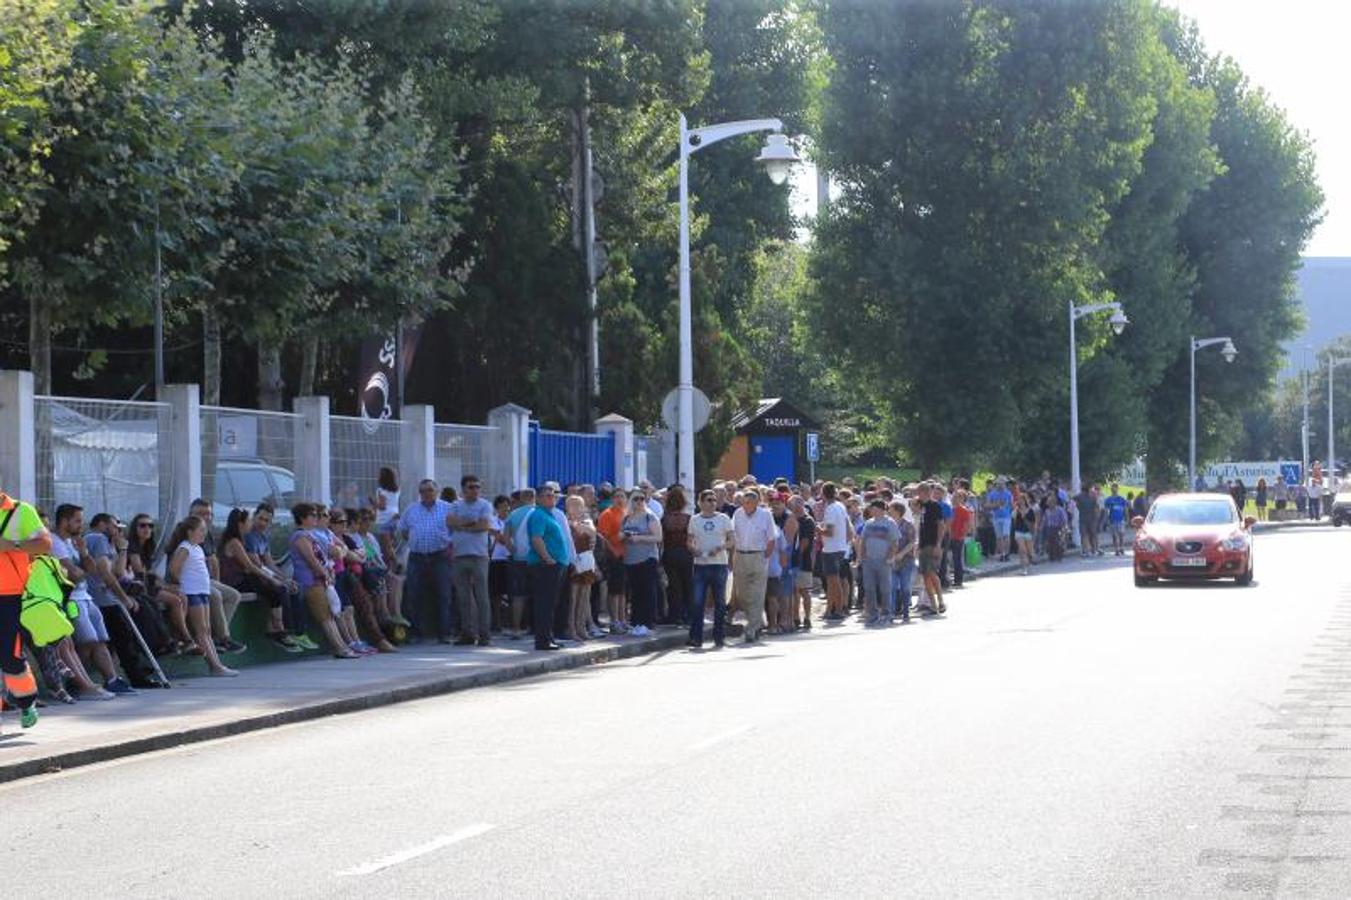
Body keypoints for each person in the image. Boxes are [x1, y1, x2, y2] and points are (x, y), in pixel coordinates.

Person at [0, 488, 52, 731]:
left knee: (10, 658)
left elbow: (44, 544)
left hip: (10, 596)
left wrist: (11, 544)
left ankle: (26, 701)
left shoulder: (21, 511)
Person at [218, 508, 302, 652]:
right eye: (249, 520)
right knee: (274, 589)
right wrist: (273, 579)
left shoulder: (242, 540)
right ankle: (279, 629)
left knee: (275, 589)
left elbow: (267, 564)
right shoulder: (234, 542)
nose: (251, 524)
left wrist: (280, 579)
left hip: (244, 578)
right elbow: (251, 566)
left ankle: (277, 629)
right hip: (235, 582)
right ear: (240, 524)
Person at [166, 516, 238, 677]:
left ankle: (217, 664)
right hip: (192, 593)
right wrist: (180, 585)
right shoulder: (185, 547)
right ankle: (215, 666)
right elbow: (174, 568)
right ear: (190, 532)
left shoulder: (197, 548)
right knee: (201, 630)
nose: (204, 533)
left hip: (202, 592)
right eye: (201, 530)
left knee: (206, 629)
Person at [289, 503, 358, 659]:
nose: (316, 517)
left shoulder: (310, 535)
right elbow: (312, 561)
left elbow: (326, 556)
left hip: (321, 580)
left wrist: (329, 571)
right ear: (302, 518)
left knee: (330, 615)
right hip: (310, 582)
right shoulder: (299, 537)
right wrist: (325, 574)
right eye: (312, 515)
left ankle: (342, 646)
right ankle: (339, 648)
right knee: (325, 617)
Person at [399, 479, 455, 643]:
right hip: (417, 557)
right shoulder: (412, 509)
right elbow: (403, 530)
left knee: (444, 594)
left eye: (430, 490)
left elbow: (455, 531)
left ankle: (444, 633)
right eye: (423, 491)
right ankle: (416, 633)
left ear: (436, 491)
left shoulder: (447, 508)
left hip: (440, 556)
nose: (426, 494)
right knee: (414, 594)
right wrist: (416, 540)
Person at [447, 474, 494, 647]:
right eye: (471, 487)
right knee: (463, 597)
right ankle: (467, 633)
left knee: (482, 597)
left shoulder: (485, 505)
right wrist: (470, 523)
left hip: (479, 556)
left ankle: (485, 635)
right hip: (459, 556)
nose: (475, 490)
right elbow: (450, 521)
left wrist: (462, 525)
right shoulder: (455, 505)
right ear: (463, 489)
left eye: (477, 487)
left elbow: (484, 526)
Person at [687, 490, 734, 648]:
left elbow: (731, 540)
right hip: (700, 565)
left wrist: (720, 547)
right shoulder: (694, 519)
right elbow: (689, 540)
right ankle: (696, 637)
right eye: (708, 500)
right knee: (698, 602)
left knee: (720, 603)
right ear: (700, 502)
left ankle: (719, 636)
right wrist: (693, 549)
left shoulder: (724, 518)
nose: (712, 502)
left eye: (714, 500)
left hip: (719, 564)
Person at [526, 484, 570, 651]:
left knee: (551, 603)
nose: (552, 498)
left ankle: (549, 636)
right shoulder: (538, 515)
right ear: (538, 498)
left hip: (556, 565)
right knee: (545, 604)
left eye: (553, 495)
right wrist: (547, 558)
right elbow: (537, 538)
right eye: (547, 495)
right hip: (545, 565)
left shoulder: (549, 515)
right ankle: (543, 640)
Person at [731, 489, 776, 642]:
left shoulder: (765, 515)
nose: (745, 505)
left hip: (758, 555)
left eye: (748, 502)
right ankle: (757, 622)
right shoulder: (737, 513)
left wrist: (765, 556)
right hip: (741, 555)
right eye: (743, 502)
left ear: (756, 502)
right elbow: (732, 534)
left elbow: (771, 538)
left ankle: (751, 629)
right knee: (742, 595)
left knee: (757, 594)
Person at [620, 488, 662, 638]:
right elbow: (621, 533)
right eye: (636, 499)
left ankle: (648, 623)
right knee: (635, 593)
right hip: (630, 559)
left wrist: (640, 538)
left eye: (642, 499)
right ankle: (636, 622)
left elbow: (658, 537)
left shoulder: (650, 517)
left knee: (647, 592)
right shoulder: (627, 518)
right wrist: (623, 536)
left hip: (647, 558)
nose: (638, 502)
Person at [857, 498, 899, 625]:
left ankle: (887, 614)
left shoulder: (890, 523)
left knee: (885, 588)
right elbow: (863, 540)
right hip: (869, 560)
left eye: (874, 508)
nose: (872, 511)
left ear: (881, 509)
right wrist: (861, 556)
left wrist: (890, 557)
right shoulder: (869, 523)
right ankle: (872, 614)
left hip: (884, 561)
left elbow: (894, 542)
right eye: (871, 508)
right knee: (869, 588)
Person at [565, 496, 599, 642]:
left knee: (584, 597)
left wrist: (578, 524)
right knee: (573, 597)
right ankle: (571, 628)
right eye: (573, 505)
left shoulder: (587, 521)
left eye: (579, 505)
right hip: (573, 562)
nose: (576, 508)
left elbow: (592, 532)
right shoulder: (564, 521)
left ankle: (581, 628)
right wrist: (573, 524)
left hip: (586, 562)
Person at [660, 486, 693, 627]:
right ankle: (689, 615)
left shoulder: (664, 519)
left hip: (670, 553)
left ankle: (675, 615)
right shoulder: (688, 518)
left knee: (673, 587)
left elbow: (661, 540)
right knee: (688, 585)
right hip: (686, 553)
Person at [818, 482, 850, 621]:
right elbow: (848, 527)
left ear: (823, 494)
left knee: (834, 581)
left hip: (831, 548)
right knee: (832, 582)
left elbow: (829, 532)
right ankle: (829, 610)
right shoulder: (841, 506)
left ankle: (839, 609)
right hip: (841, 547)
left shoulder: (830, 509)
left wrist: (818, 529)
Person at [916, 483, 946, 615]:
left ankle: (941, 601)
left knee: (932, 572)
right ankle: (932, 604)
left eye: (919, 492)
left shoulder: (934, 506)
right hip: (923, 544)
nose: (918, 495)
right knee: (925, 574)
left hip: (932, 543)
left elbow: (941, 525)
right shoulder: (921, 506)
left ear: (925, 492)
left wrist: (938, 544)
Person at [374, 466, 401, 567]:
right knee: (392, 545)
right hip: (395, 517)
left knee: (386, 546)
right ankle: (391, 566)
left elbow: (382, 506)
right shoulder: (397, 490)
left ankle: (396, 563)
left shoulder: (381, 490)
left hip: (384, 519)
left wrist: (373, 503)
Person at [986, 477, 1013, 561]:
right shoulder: (992, 494)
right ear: (996, 484)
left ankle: (1007, 553)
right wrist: (996, 505)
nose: (1001, 485)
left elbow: (1012, 505)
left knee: (1006, 536)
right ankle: (1002, 554)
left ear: (1005, 484)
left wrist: (1007, 509)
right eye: (999, 483)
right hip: (996, 517)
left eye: (1002, 483)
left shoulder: (1008, 493)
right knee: (999, 537)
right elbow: (987, 505)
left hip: (1006, 517)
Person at [1103, 483, 1130, 556]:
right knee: (1114, 535)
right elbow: (1106, 511)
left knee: (1121, 534)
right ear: (1111, 489)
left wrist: (1127, 519)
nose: (1114, 489)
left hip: (1121, 520)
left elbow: (1125, 509)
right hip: (1112, 520)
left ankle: (1121, 548)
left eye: (1116, 488)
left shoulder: (1121, 499)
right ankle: (1116, 549)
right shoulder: (1108, 500)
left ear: (1118, 489)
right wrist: (1106, 520)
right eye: (1113, 488)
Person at [1042, 493, 1068, 562]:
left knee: (1058, 542)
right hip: (1050, 528)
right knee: (1050, 542)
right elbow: (1045, 520)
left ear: (1054, 502)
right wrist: (1042, 527)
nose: (1048, 503)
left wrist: (1064, 529)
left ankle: (1059, 556)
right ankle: (1051, 557)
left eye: (1050, 502)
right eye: (1048, 502)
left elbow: (1064, 520)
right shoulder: (1047, 511)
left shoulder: (1060, 510)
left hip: (1058, 527)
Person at [1075, 484, 1100, 558]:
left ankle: (1086, 550)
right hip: (1091, 519)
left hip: (1083, 518)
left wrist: (1078, 506)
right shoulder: (1093, 497)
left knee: (1084, 535)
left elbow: (1073, 499)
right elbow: (1096, 508)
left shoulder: (1080, 497)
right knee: (1092, 534)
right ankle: (1093, 550)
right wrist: (1097, 517)